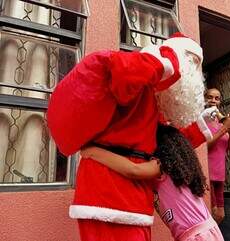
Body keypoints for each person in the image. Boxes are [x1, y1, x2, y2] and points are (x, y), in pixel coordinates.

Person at [47, 33, 207, 241]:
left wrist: (207, 128)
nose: (193, 71)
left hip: (129, 197)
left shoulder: (154, 103)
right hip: (109, 192)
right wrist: (164, 63)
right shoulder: (143, 74)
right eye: (190, 61)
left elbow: (174, 143)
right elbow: (119, 70)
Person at [81, 124, 225, 241]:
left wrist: (95, 153)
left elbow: (133, 170)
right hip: (208, 231)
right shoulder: (180, 169)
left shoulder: (161, 167)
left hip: (196, 236)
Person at [204, 88, 230, 223]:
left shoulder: (221, 122)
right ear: (204, 99)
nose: (213, 101)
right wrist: (225, 128)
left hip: (219, 176)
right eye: (210, 97)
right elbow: (203, 148)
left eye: (217, 98)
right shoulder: (201, 121)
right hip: (206, 175)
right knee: (212, 215)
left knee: (220, 215)